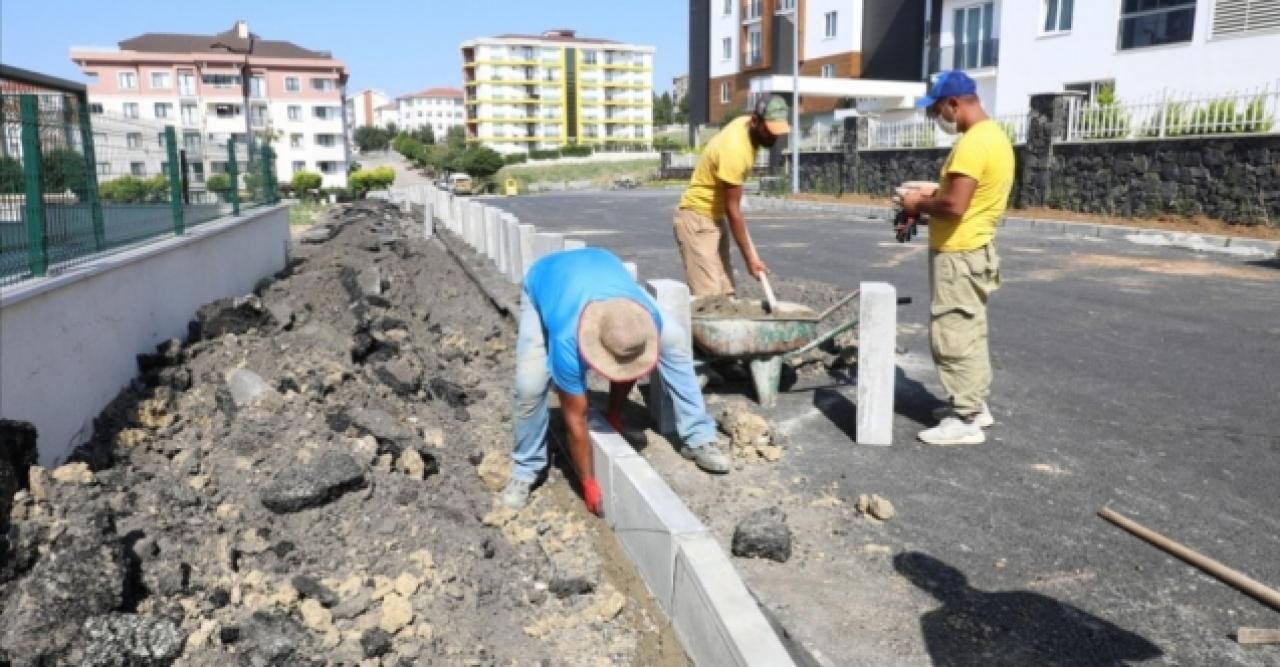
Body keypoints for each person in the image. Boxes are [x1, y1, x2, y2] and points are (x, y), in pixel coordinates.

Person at [501, 248, 730, 514]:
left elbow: (628, 361)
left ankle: (698, 436)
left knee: (675, 340)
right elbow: (575, 419)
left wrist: (614, 413)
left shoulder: (643, 319)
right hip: (545, 279)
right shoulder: (567, 340)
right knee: (529, 385)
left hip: (604, 268)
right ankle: (526, 468)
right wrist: (586, 481)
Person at [900, 71, 1014, 446]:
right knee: (971, 329)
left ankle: (965, 420)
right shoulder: (992, 137)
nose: (938, 119)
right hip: (974, 251)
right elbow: (962, 193)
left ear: (954, 103)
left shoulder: (972, 144)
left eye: (937, 111)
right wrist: (931, 191)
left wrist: (918, 203)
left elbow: (954, 205)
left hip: (959, 254)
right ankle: (975, 405)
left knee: (951, 332)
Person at [673, 95, 790, 297]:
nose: (773, 137)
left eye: (777, 132)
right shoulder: (736, 150)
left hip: (715, 219)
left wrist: (751, 256)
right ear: (755, 121)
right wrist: (750, 260)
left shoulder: (745, 126)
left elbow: (730, 210)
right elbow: (733, 210)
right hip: (697, 219)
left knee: (726, 293)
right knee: (708, 299)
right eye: (769, 131)